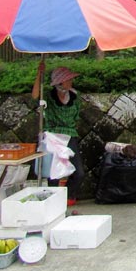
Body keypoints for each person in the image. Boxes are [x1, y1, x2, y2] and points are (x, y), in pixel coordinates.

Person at [32, 63, 84, 207]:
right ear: (60, 82)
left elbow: (76, 115)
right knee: (53, 172)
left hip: (70, 134)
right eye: (68, 80)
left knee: (79, 172)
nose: (70, 82)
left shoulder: (75, 96)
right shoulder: (48, 96)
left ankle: (69, 195)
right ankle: (53, 199)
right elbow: (35, 95)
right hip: (53, 135)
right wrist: (39, 74)